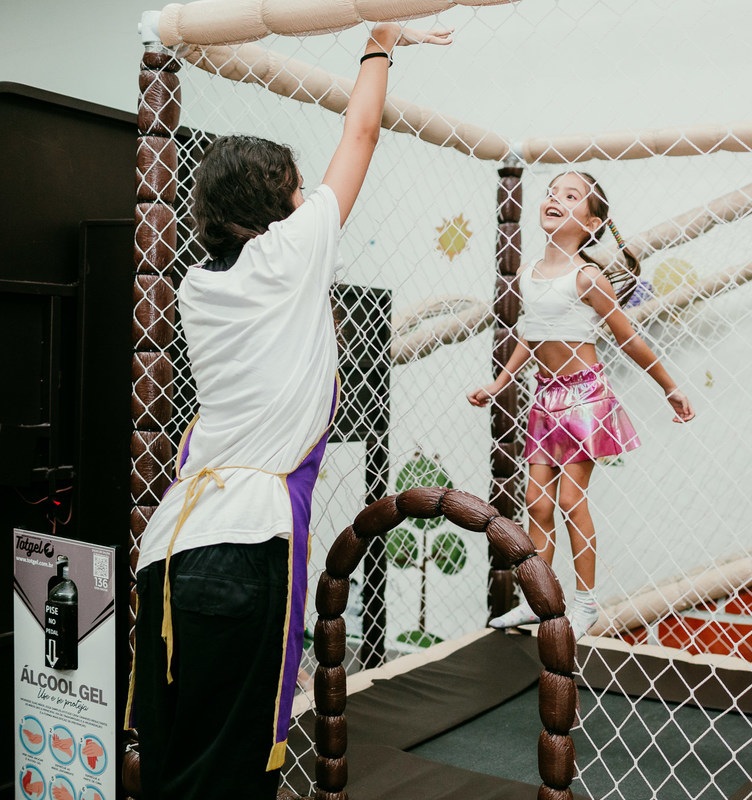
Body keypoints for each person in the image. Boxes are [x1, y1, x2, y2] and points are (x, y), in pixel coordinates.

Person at [126, 23, 452, 799]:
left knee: (174, 759)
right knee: (234, 771)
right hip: (243, 548)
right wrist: (380, 39)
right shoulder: (293, 252)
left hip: (168, 550)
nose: (311, 198)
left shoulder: (196, 285)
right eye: (298, 187)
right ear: (279, 203)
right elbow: (364, 130)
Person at [468, 172, 695, 640]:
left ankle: (586, 603)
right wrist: (500, 382)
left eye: (569, 196)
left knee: (570, 500)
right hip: (545, 397)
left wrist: (669, 386)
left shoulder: (587, 276)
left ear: (590, 222)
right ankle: (538, 601)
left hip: (584, 395)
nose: (554, 198)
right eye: (552, 191)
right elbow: (529, 336)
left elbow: (627, 337)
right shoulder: (529, 273)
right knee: (535, 502)